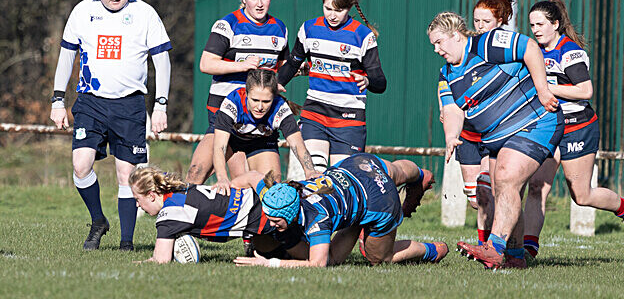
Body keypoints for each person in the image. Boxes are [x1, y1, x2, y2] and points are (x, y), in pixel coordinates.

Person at [49, 0, 171, 251]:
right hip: (90, 101)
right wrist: (57, 100)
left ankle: (126, 242)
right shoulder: (82, 12)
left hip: (129, 105)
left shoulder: (144, 14)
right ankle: (98, 221)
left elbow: (162, 61)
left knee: (127, 174)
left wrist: (161, 104)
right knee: (81, 165)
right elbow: (66, 56)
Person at [429, 12, 562, 270]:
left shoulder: (486, 44)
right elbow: (453, 110)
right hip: (497, 138)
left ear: (456, 36)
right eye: (433, 44)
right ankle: (515, 256)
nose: (436, 50)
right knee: (503, 190)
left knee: (504, 177)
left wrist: (544, 90)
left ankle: (495, 247)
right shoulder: (446, 74)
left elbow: (530, 48)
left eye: (439, 42)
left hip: (535, 122)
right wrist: (451, 137)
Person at [522, 0, 624, 258]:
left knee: (581, 195)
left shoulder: (569, 51)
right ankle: (529, 249)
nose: (536, 30)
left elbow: (585, 90)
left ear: (555, 24)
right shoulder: (532, 50)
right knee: (537, 185)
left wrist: (546, 87)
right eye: (532, 25)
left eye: (541, 24)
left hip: (577, 126)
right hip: (549, 125)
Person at [231, 153, 444, 267]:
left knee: (379, 258)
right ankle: (417, 174)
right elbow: (251, 178)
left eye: (276, 220)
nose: (270, 223)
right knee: (394, 170)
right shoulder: (280, 193)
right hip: (357, 166)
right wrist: (223, 186)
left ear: (291, 214)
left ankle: (434, 250)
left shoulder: (317, 219)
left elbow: (318, 263)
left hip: (379, 201)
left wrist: (270, 263)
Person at [186, 0, 289, 189]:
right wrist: (241, 66)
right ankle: (180, 217)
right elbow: (206, 63)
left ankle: (243, 221)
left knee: (256, 184)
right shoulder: (228, 25)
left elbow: (281, 67)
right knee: (196, 174)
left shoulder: (279, 29)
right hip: (224, 115)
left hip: (258, 120)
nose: (260, 4)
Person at [277, 0, 386, 171]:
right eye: (327, 9)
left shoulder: (362, 36)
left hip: (349, 118)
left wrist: (367, 80)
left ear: (350, 7)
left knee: (341, 180)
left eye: (339, 10)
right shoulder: (309, 29)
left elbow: (380, 82)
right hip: (315, 112)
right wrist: (275, 85)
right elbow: (293, 62)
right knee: (315, 175)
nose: (332, 15)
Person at [439, 0, 511, 248]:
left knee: (489, 187)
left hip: (493, 132)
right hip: (467, 134)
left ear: (500, 22)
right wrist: (446, 110)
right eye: (476, 21)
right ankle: (488, 242)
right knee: (476, 198)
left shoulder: (496, 51)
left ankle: (493, 246)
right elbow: (447, 90)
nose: (479, 27)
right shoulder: (456, 57)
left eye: (485, 21)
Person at [129, 166, 307, 263]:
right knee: (268, 250)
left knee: (316, 258)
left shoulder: (169, 215)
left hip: (268, 220)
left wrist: (138, 265)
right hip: (259, 215)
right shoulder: (178, 190)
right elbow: (252, 175)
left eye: (138, 199)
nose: (137, 205)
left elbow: (160, 260)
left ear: (152, 195)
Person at [211, 69, 319, 196]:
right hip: (230, 139)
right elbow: (219, 146)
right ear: (246, 94)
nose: (260, 107)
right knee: (196, 171)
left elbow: (297, 143)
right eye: (255, 100)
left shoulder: (280, 108)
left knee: (271, 187)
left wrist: (310, 171)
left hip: (261, 142)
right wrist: (222, 178)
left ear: (274, 97)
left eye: (266, 101)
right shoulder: (232, 102)